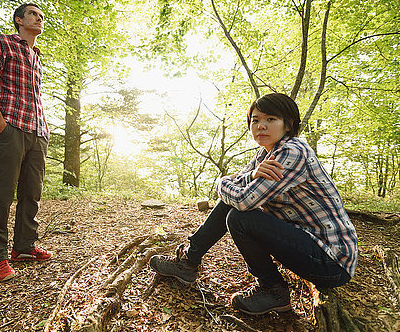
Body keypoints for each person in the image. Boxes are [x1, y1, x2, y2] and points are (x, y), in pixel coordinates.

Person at [150, 93, 358, 315]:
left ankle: (273, 290)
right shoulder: (265, 153)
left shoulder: (292, 152)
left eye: (270, 119)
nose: (261, 126)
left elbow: (243, 199)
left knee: (240, 216)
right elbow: (240, 181)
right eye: (256, 120)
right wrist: (246, 178)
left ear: (288, 124)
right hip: (306, 244)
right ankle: (189, 261)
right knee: (232, 205)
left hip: (331, 262)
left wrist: (221, 181)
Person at [0, 3, 52, 282]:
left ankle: (24, 247)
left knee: (31, 193)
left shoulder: (36, 56)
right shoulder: (0, 42)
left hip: (38, 132)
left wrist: (43, 132)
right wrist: (0, 124)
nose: (39, 18)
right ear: (19, 20)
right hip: (10, 128)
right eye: (33, 14)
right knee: (2, 193)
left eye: (41, 16)